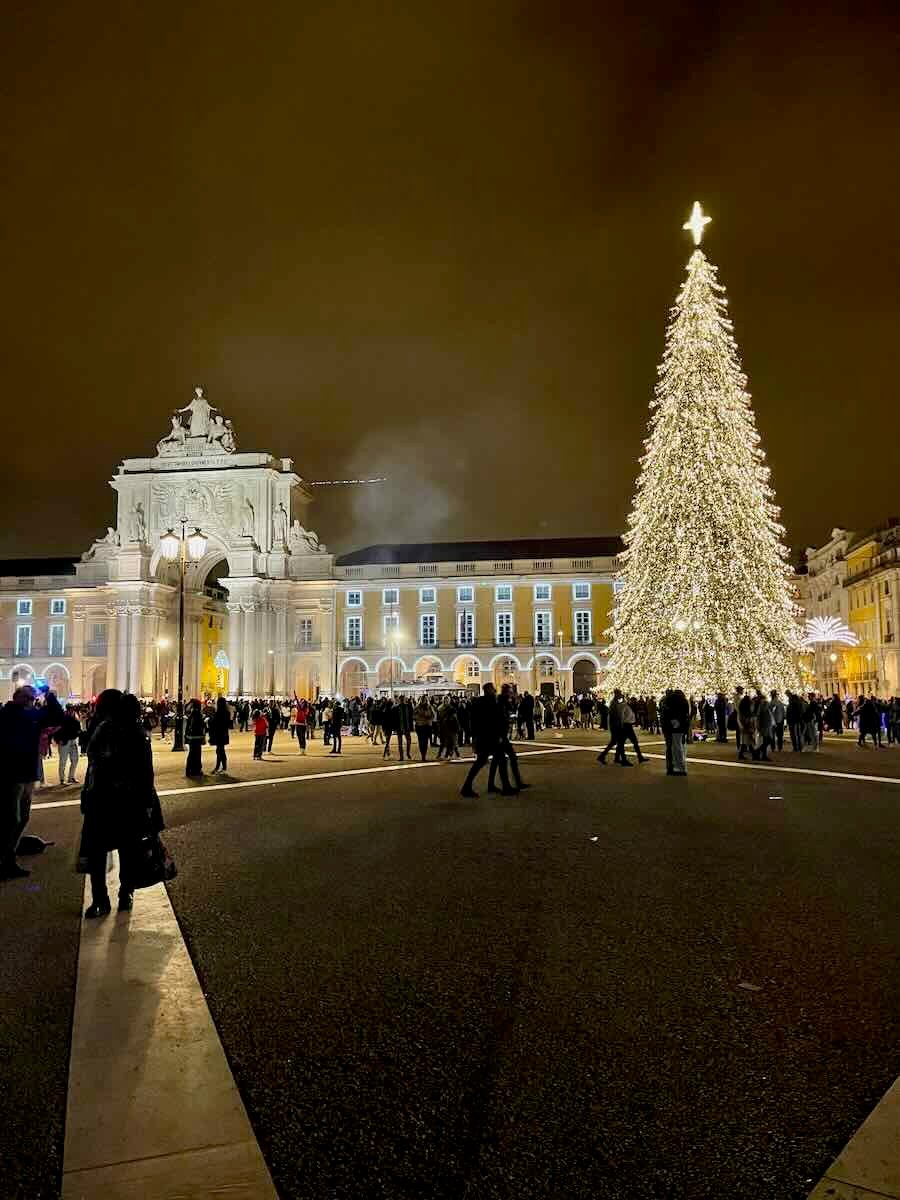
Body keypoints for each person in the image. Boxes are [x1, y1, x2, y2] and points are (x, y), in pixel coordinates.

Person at [78, 691, 164, 917]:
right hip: (106, 799)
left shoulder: (133, 733)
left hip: (125, 799)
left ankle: (115, 895)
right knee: (110, 850)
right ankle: (110, 896)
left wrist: (146, 801)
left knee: (120, 850)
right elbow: (93, 768)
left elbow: (145, 771)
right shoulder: (103, 730)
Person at [0, 686, 63, 879]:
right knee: (12, 819)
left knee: (22, 817)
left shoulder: (31, 715)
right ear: (21, 698)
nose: (33, 702)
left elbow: (57, 717)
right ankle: (5, 861)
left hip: (26, 774)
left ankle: (8, 855)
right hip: (12, 775)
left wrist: (49, 695)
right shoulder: (9, 715)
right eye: (31, 698)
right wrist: (48, 696)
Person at [460, 682, 513, 797]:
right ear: (488, 690)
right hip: (489, 737)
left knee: (487, 761)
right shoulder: (490, 702)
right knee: (493, 761)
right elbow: (493, 720)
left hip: (484, 737)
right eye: (493, 689)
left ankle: (475, 786)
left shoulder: (480, 702)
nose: (495, 691)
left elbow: (473, 721)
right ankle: (504, 787)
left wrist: (473, 736)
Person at [660, 688, 689, 775]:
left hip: (672, 727)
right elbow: (686, 714)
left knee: (674, 747)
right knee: (678, 747)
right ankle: (678, 767)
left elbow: (665, 716)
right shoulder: (683, 701)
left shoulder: (667, 702)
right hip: (679, 727)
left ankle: (675, 767)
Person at [53, 704, 83, 785]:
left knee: (75, 759)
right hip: (64, 741)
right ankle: (62, 779)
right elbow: (56, 730)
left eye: (72, 710)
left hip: (72, 741)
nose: (71, 711)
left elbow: (78, 729)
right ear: (67, 710)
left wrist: (79, 733)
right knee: (63, 761)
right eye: (70, 710)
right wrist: (58, 740)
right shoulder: (62, 718)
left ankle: (71, 777)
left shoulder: (74, 719)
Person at [207, 696, 232, 773]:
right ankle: (222, 767)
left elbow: (214, 723)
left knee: (220, 751)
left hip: (218, 734)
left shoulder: (218, 713)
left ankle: (219, 767)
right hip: (224, 734)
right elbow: (228, 724)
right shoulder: (227, 712)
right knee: (220, 750)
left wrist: (209, 721)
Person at [183, 699, 206, 777]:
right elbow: (199, 726)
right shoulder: (197, 714)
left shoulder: (191, 714)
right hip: (197, 737)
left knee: (191, 754)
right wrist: (204, 722)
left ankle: (189, 770)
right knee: (196, 754)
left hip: (191, 737)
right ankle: (195, 770)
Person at [413, 696, 435, 761]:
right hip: (419, 726)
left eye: (425, 700)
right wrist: (418, 717)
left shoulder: (429, 707)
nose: (423, 701)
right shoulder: (417, 707)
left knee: (425, 741)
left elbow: (433, 715)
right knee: (420, 741)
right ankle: (422, 753)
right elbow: (413, 716)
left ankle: (424, 755)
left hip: (427, 726)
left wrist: (428, 717)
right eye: (422, 700)